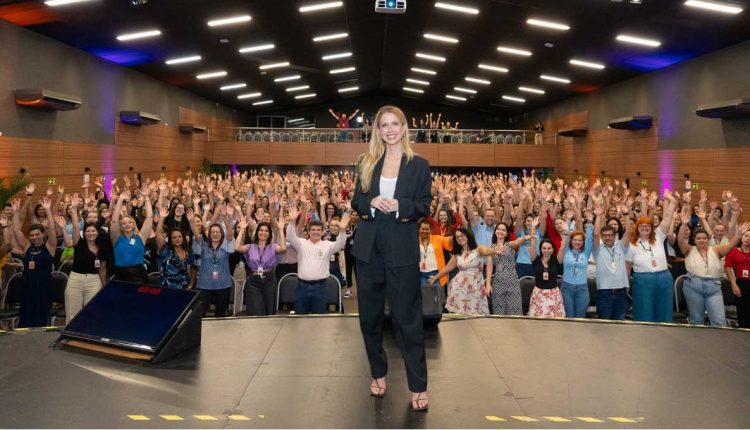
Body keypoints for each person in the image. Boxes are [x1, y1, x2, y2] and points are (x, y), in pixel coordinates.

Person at [350, 105, 431, 411]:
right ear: (378, 130)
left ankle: (418, 386)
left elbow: (424, 206)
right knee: (369, 319)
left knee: (407, 320)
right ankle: (377, 372)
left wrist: (399, 206)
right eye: (384, 125)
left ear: (404, 127)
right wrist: (370, 203)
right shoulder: (366, 162)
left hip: (401, 247)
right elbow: (357, 199)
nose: (390, 129)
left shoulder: (419, 165)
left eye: (395, 123)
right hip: (369, 249)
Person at [677, 210, 748, 327]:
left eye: (704, 238)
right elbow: (680, 240)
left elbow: (730, 246)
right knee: (696, 320)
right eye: (698, 238)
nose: (701, 240)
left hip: (713, 288)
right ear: (694, 240)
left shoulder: (716, 249)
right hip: (693, 286)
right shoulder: (688, 249)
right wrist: (684, 224)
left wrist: (739, 234)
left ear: (708, 239)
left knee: (719, 321)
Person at [285, 205, 349, 314]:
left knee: (319, 321)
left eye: (319, 230)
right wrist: (292, 222)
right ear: (308, 232)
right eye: (313, 230)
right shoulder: (301, 243)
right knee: (300, 320)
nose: (316, 232)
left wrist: (342, 231)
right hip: (302, 287)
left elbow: (340, 244)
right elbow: (290, 237)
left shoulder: (327, 245)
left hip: (320, 288)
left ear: (323, 231)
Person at [626, 191, 678, 323]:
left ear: (652, 228)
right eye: (642, 226)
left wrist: (671, 202)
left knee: (664, 311)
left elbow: (667, 219)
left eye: (647, 226)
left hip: (664, 278)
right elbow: (627, 268)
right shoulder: (632, 245)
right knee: (644, 312)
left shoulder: (659, 236)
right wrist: (626, 285)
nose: (645, 228)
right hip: (642, 280)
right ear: (637, 228)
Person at [59, 194, 108, 321]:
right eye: (88, 231)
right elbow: (75, 226)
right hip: (76, 279)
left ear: (98, 232)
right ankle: (70, 337)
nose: (91, 233)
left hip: (94, 281)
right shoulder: (78, 243)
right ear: (84, 233)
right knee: (72, 313)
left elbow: (102, 269)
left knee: (92, 312)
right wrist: (74, 209)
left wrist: (103, 285)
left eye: (93, 231)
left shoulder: (102, 248)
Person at [10, 196, 57, 327]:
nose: (35, 237)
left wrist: (47, 210)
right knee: (26, 317)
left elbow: (52, 230)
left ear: (43, 234)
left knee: (41, 317)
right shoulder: (26, 247)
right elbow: (16, 231)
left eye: (37, 234)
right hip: (27, 287)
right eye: (32, 235)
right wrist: (15, 213)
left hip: (43, 287)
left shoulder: (50, 246)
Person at [428, 228, 493, 315]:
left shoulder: (478, 249)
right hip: (460, 287)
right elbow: (448, 268)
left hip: (476, 286)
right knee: (460, 314)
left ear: (467, 236)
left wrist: (495, 250)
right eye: (457, 237)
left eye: (462, 235)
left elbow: (487, 251)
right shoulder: (457, 254)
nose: (460, 238)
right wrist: (435, 277)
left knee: (476, 314)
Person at [189, 204, 235, 317]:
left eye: (217, 232)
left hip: (223, 285)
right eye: (213, 232)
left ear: (221, 234)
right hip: (205, 285)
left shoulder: (226, 246)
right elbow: (196, 234)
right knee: (201, 315)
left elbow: (230, 234)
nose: (215, 233)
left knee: (220, 315)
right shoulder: (204, 246)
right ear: (209, 234)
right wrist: (191, 221)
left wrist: (226, 218)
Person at [235, 216, 286, 316]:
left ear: (269, 234)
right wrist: (242, 229)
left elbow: (283, 248)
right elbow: (237, 247)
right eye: (261, 230)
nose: (263, 233)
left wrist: (280, 229)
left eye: (266, 231)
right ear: (257, 232)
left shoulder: (273, 247)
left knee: (269, 309)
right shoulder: (250, 247)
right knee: (256, 309)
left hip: (269, 279)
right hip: (253, 281)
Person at [591, 205, 632, 320]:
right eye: (605, 236)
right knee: (604, 323)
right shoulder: (597, 249)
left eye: (610, 235)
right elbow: (595, 234)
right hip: (605, 292)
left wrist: (626, 215)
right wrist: (598, 216)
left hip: (621, 292)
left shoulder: (620, 246)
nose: (607, 238)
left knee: (620, 323)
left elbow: (628, 232)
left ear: (615, 236)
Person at [491, 221, 536, 315]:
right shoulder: (491, 247)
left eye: (503, 230)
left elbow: (517, 242)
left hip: (512, 281)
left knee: (514, 311)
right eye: (499, 229)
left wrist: (524, 238)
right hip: (498, 282)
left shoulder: (510, 244)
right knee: (499, 312)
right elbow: (489, 265)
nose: (500, 231)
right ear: (495, 231)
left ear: (507, 233)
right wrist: (488, 284)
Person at [109, 190, 153, 283]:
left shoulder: (141, 237)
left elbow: (149, 217)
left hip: (139, 275)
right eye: (124, 223)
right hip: (120, 274)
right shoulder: (116, 238)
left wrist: (146, 198)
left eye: (129, 222)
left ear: (134, 224)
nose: (127, 224)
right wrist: (120, 200)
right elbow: (114, 221)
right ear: (121, 226)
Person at [154, 206, 196, 289]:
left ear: (183, 238)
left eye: (179, 237)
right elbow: (158, 234)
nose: (177, 239)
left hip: (184, 288)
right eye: (174, 237)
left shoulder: (189, 252)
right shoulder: (165, 249)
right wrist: (162, 218)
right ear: (171, 239)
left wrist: (191, 285)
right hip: (166, 287)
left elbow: (193, 270)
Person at [528, 238, 565, 317]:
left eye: (549, 248)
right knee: (537, 320)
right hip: (538, 294)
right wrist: (533, 229)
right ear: (540, 249)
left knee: (554, 320)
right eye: (544, 248)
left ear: (553, 249)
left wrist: (566, 234)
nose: (546, 250)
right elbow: (532, 246)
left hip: (553, 295)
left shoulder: (557, 260)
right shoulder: (535, 259)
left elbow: (563, 247)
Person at [725, 228, 750, 328]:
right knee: (743, 311)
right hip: (741, 283)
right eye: (746, 236)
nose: (748, 239)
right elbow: (727, 267)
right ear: (741, 237)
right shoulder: (734, 251)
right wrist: (733, 284)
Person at [417, 218, 453, 287]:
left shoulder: (437, 239)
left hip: (436, 274)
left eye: (427, 229)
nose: (425, 231)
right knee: (424, 297)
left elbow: (449, 240)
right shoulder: (415, 241)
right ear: (419, 229)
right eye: (423, 229)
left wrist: (460, 234)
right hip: (421, 274)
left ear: (430, 230)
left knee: (438, 297)